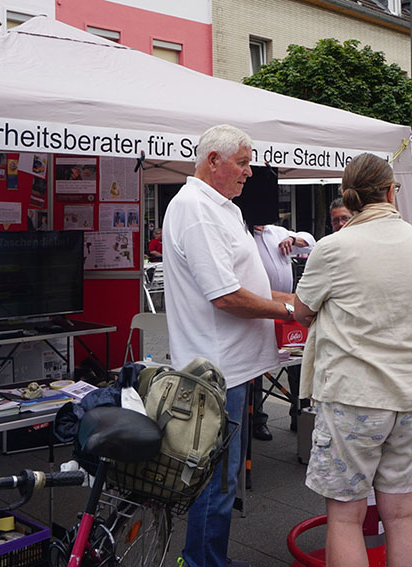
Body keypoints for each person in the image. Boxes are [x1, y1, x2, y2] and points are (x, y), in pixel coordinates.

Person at [294, 153, 412, 567]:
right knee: (401, 510)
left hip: (356, 397)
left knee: (345, 515)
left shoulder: (334, 247)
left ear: (348, 198)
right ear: (392, 192)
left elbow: (303, 311)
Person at [162, 124, 295, 567]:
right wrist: (291, 312)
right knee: (215, 481)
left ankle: (208, 558)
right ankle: (200, 562)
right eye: (242, 161)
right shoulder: (196, 209)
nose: (249, 171)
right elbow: (226, 296)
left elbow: (245, 284)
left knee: (222, 479)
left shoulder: (222, 208)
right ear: (213, 161)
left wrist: (292, 300)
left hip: (233, 369)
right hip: (217, 373)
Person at [250, 223, 316, 439]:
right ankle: (257, 419)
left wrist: (294, 240)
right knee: (257, 360)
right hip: (259, 306)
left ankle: (299, 412)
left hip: (286, 305)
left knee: (297, 356)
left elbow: (309, 242)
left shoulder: (276, 231)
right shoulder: (243, 232)